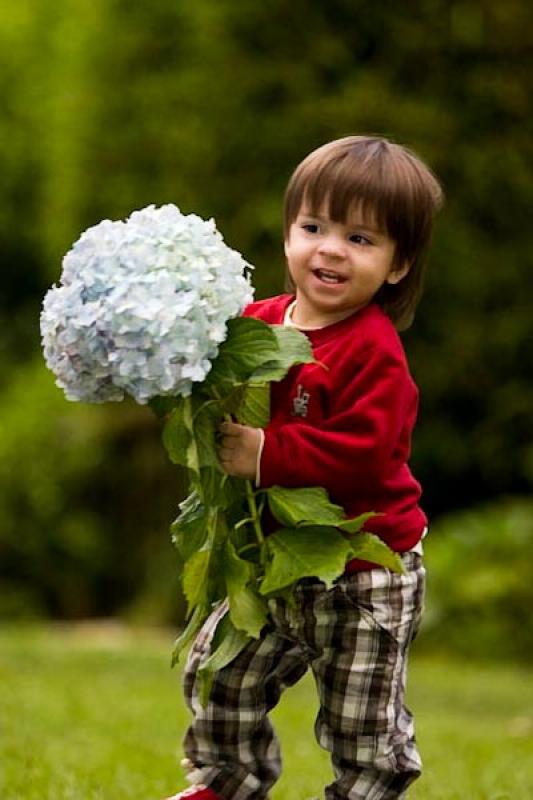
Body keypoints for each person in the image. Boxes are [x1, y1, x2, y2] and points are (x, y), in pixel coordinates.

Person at [164, 135, 443, 800]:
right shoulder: (252, 325)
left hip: (364, 568)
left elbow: (366, 454)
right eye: (313, 226)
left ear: (397, 264)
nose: (329, 249)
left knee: (360, 721)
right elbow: (204, 386)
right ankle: (225, 782)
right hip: (266, 557)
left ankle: (364, 791)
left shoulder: (372, 351)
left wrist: (266, 455)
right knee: (217, 675)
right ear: (288, 232)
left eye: (359, 238)